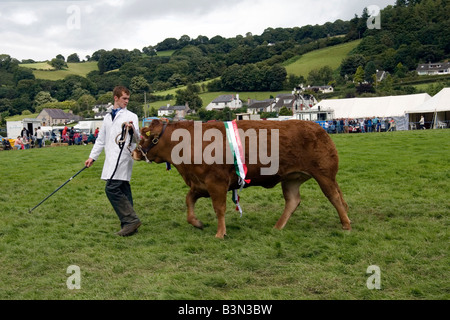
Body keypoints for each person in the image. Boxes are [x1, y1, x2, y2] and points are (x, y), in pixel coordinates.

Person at [84, 86, 141, 237]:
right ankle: (129, 224)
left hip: (123, 157)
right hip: (111, 157)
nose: (126, 102)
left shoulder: (132, 116)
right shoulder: (108, 117)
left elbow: (138, 139)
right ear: (115, 98)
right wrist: (92, 157)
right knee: (122, 189)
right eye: (124, 99)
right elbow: (101, 139)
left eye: (128, 99)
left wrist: (132, 129)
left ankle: (131, 221)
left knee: (111, 189)